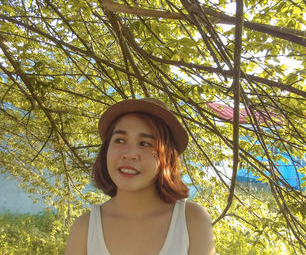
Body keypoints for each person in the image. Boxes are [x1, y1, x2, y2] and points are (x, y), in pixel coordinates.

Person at [65, 98, 216, 255]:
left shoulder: (191, 220)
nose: (129, 154)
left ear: (166, 157)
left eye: (145, 143)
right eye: (120, 140)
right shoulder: (85, 228)